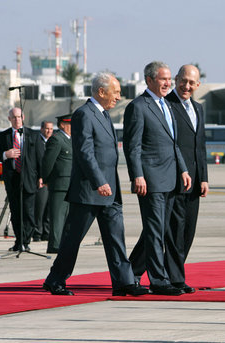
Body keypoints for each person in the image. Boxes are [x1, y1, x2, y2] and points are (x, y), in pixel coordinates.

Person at [43, 72, 148, 297]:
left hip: (109, 190)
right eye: (116, 92)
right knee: (73, 239)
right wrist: (99, 181)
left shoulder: (104, 114)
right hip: (89, 190)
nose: (119, 97)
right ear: (101, 91)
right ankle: (55, 279)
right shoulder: (84, 114)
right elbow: (84, 152)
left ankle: (124, 282)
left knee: (115, 237)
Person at [124, 61, 191, 296]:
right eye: (163, 79)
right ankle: (159, 280)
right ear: (149, 80)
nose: (168, 83)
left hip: (171, 177)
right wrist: (137, 175)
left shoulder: (167, 106)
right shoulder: (138, 107)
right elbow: (133, 147)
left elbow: (173, 143)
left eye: (169, 78)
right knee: (154, 231)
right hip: (151, 179)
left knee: (159, 230)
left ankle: (129, 273)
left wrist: (182, 169)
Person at [164, 65, 208, 294]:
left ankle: (134, 269)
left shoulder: (198, 109)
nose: (187, 86)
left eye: (192, 83)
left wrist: (204, 178)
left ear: (198, 85)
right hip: (174, 178)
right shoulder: (166, 105)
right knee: (174, 231)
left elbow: (200, 146)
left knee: (188, 230)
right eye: (183, 81)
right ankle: (175, 278)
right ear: (176, 79)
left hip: (194, 181)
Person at [0, 108, 40, 252]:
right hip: (12, 179)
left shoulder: (32, 135)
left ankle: (26, 240)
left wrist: (42, 177)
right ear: (9, 119)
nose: (17, 120)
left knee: (29, 213)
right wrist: (6, 154)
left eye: (19, 117)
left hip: (29, 179)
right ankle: (19, 242)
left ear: (23, 117)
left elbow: (39, 157)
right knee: (16, 211)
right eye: (14, 117)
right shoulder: (3, 136)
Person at [41, 114, 72, 253]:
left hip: (71, 184)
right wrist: (47, 179)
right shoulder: (56, 139)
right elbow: (48, 163)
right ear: (63, 125)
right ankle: (54, 246)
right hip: (59, 184)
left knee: (67, 217)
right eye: (71, 124)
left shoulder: (71, 140)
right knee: (57, 217)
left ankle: (63, 244)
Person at [33, 120, 53, 242]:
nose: (49, 131)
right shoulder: (36, 142)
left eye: (51, 129)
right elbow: (35, 162)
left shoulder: (53, 141)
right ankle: (37, 233)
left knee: (49, 209)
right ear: (41, 129)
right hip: (40, 181)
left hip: (52, 180)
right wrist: (39, 177)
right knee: (39, 208)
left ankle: (46, 233)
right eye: (46, 129)